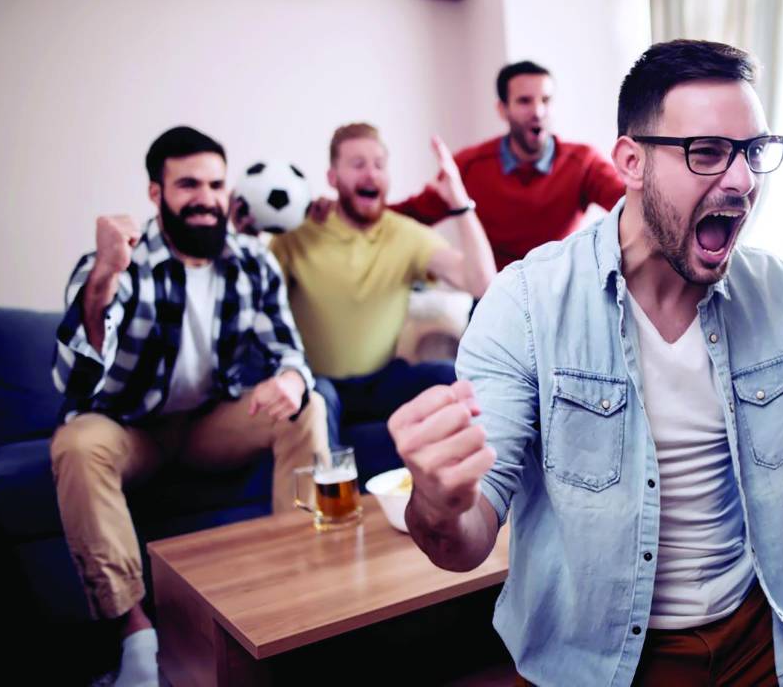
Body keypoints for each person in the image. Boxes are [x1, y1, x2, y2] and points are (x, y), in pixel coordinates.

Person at [386, 41, 783, 686]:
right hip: (608, 665)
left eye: (751, 152)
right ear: (631, 162)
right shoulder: (525, 304)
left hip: (766, 630)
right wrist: (439, 504)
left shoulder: (773, 288)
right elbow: (464, 543)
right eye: (708, 152)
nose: (744, 179)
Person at [51, 126, 327, 687]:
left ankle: (303, 591)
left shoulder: (252, 260)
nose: (205, 198)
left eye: (215, 184)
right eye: (188, 184)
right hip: (133, 431)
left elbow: (289, 351)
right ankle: (136, 640)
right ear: (156, 194)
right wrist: (105, 275)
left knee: (310, 406)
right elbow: (74, 381)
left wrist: (293, 382)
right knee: (75, 442)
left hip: (210, 426)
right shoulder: (116, 263)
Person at [266, 123, 495, 470]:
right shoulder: (298, 233)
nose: (370, 173)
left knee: (449, 377)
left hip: (381, 379)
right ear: (332, 177)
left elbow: (481, 284)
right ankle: (329, 506)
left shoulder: (404, 234)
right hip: (320, 382)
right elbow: (258, 296)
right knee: (315, 401)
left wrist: (459, 203)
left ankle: (454, 490)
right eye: (357, 165)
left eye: (378, 164)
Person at [390, 61, 626, 269]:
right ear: (503, 110)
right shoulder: (469, 165)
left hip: (561, 294)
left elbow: (631, 204)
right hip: (495, 294)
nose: (538, 111)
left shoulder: (582, 162)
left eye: (546, 100)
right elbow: (411, 215)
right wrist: (356, 208)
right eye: (524, 101)